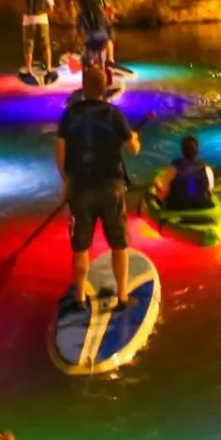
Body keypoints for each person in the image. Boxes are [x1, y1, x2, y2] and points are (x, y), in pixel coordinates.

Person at [57, 65, 142, 307]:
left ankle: (80, 297)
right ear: (105, 87)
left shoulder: (71, 114)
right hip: (111, 187)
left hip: (80, 188)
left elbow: (60, 149)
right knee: (119, 243)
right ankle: (123, 296)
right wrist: (134, 138)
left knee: (81, 246)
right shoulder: (114, 115)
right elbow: (132, 150)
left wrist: (66, 181)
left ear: (83, 87)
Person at [155, 134, 216, 211]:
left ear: (182, 150)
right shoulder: (206, 169)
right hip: (202, 205)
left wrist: (157, 184)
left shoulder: (174, 168)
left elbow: (164, 189)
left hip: (177, 206)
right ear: (197, 150)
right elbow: (210, 188)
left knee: (159, 187)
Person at [76, 0, 116, 74]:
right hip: (99, 24)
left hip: (90, 28)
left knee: (92, 48)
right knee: (107, 40)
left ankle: (90, 68)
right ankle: (108, 61)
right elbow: (107, 2)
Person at [14, 0, 55, 73]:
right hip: (42, 19)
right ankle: (49, 67)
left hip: (28, 19)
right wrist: (43, 13)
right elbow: (51, 7)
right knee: (46, 44)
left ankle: (28, 69)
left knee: (28, 44)